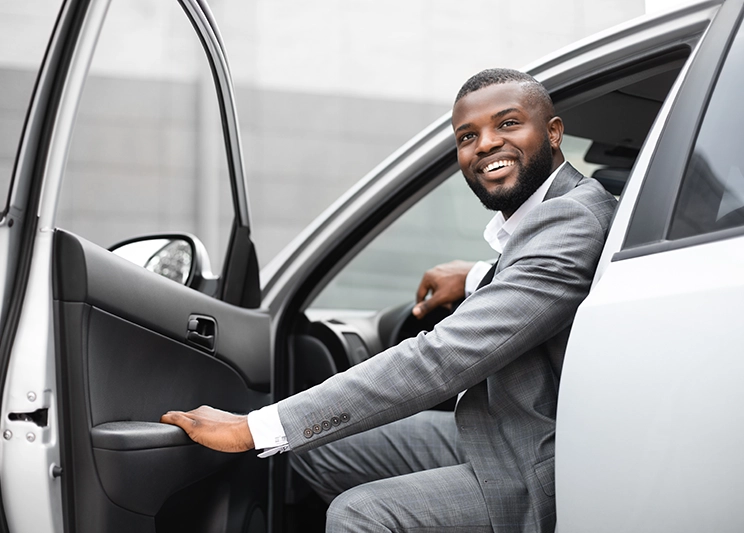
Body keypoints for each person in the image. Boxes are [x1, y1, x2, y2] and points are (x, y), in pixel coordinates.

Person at [161, 68, 618, 532]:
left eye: (507, 124)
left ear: (554, 132)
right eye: (467, 136)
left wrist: (253, 428)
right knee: (314, 447)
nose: (484, 145)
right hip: (500, 431)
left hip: (537, 462)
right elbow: (541, 291)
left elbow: (443, 356)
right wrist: (477, 277)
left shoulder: (570, 219)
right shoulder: (560, 213)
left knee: (360, 513)